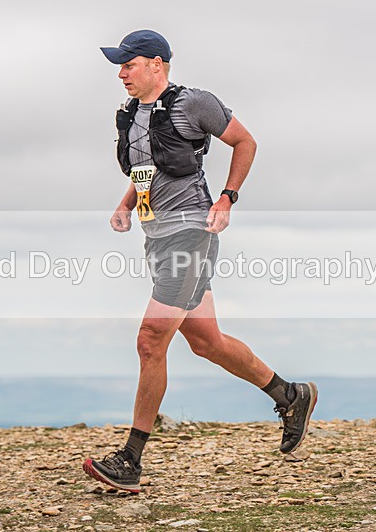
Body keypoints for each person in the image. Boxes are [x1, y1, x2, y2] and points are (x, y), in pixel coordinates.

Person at [83, 30, 317, 493]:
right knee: (206, 341)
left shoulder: (193, 103)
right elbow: (147, 167)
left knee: (151, 339)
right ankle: (291, 395)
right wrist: (127, 202)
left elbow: (245, 142)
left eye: (128, 64)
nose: (121, 72)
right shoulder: (130, 115)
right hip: (157, 237)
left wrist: (228, 198)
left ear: (156, 63)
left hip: (191, 233)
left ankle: (130, 460)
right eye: (119, 65)